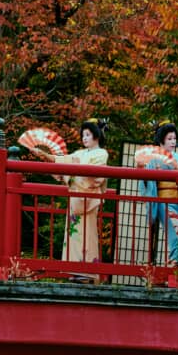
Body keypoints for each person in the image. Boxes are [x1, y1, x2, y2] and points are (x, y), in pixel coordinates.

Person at [32, 119, 109, 278]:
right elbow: (64, 160)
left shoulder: (102, 153)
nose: (84, 138)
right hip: (75, 198)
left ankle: (88, 272)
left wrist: (73, 173)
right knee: (73, 235)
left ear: (96, 135)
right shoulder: (80, 154)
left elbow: (95, 176)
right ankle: (73, 270)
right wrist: (46, 156)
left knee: (88, 234)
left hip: (88, 197)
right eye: (83, 135)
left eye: (88, 135)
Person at [138, 121, 178, 266]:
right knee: (175, 232)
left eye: (174, 138)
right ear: (161, 140)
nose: (173, 142)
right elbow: (145, 184)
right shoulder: (152, 158)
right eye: (169, 139)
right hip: (163, 201)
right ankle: (174, 266)